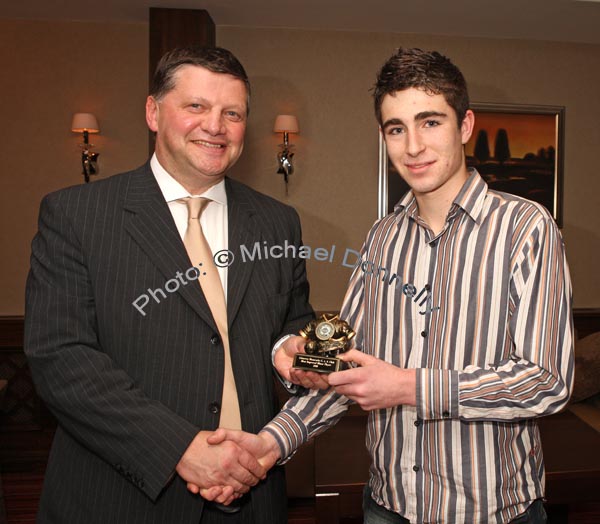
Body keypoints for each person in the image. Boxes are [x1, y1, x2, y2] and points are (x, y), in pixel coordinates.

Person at [209, 48, 574, 523]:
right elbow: (347, 368)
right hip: (387, 508)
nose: (413, 147)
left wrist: (409, 386)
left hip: (494, 512)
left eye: (430, 122)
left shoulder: (526, 227)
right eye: (396, 128)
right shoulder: (381, 239)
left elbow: (547, 382)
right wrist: (272, 440)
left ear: (464, 126)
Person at [24, 45, 313, 524]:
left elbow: (292, 324)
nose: (215, 126)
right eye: (196, 106)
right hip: (119, 499)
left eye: (232, 113)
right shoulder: (76, 215)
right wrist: (178, 447)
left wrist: (294, 355)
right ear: (153, 112)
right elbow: (62, 357)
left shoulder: (278, 222)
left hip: (252, 495)